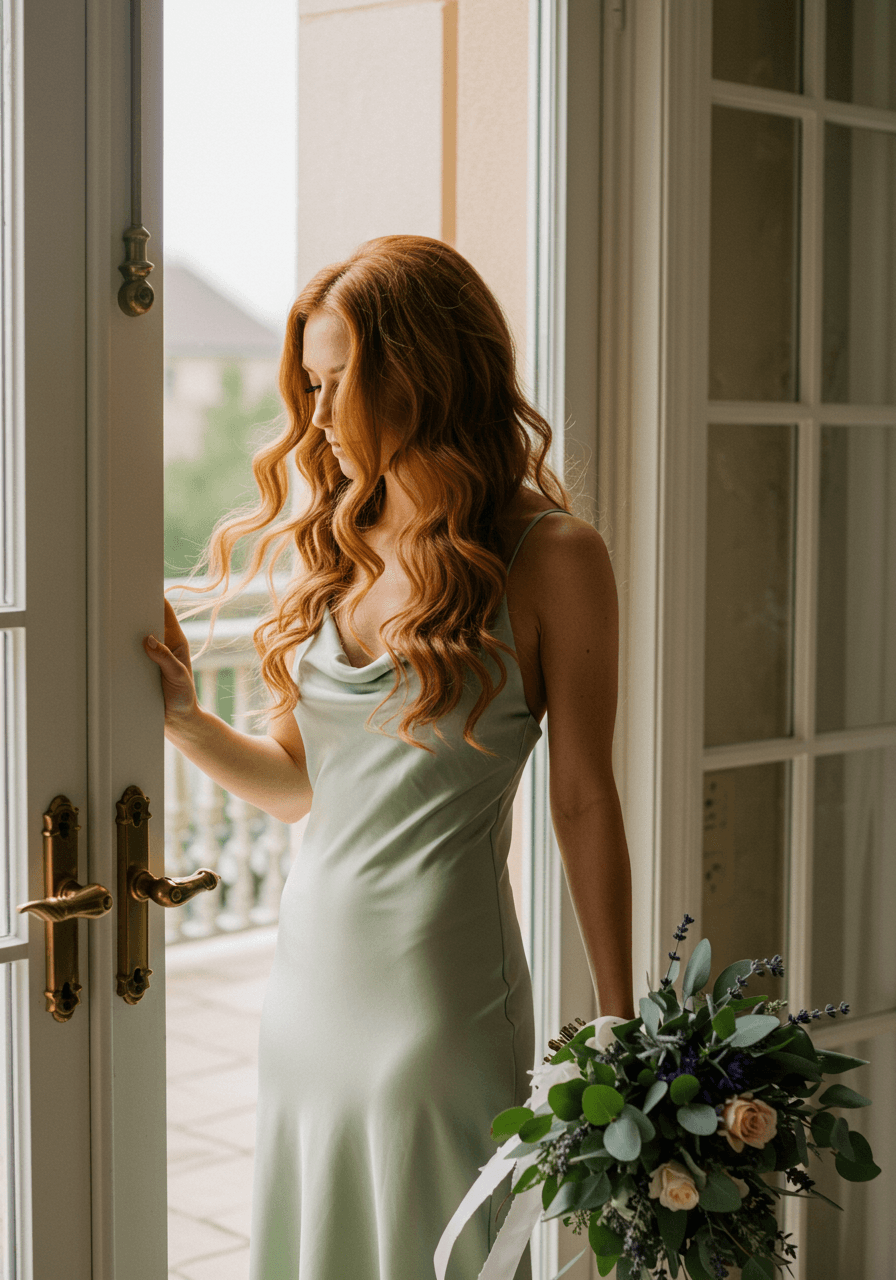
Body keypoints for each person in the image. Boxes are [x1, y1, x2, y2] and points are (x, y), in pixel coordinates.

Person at [144, 234, 634, 1280]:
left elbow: (584, 798)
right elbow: (297, 787)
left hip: (436, 997)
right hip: (307, 987)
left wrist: (620, 1016)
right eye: (309, 386)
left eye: (338, 384)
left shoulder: (552, 556)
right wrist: (185, 718)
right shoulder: (339, 539)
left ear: (416, 375)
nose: (315, 418)